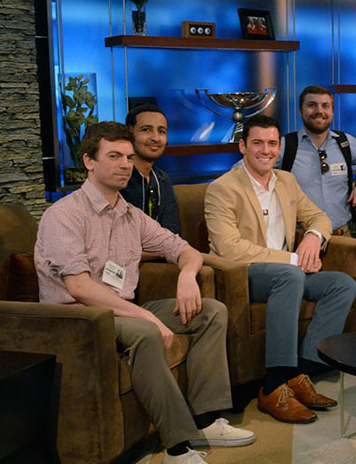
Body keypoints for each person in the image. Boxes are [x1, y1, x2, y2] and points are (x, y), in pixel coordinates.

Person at [35, 122, 254, 464]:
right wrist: (146, 315)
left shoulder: (130, 215)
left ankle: (206, 421)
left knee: (211, 311)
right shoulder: (63, 215)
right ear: (89, 161)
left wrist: (186, 275)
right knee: (144, 330)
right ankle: (177, 447)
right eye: (114, 156)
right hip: (77, 318)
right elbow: (78, 287)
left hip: (122, 309)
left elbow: (185, 249)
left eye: (128, 156)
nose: (125, 164)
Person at [204, 115, 356, 425]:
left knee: (341, 284)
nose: (266, 150)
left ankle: (302, 372)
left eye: (272, 143)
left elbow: (320, 218)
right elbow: (229, 248)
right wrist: (292, 260)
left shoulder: (285, 180)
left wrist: (313, 239)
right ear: (243, 146)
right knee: (291, 275)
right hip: (243, 275)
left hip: (289, 274)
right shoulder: (221, 189)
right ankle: (273, 385)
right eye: (258, 143)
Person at [276, 85, 356, 235]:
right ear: (301, 112)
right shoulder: (285, 146)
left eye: (325, 106)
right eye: (311, 105)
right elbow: (250, 167)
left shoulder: (345, 142)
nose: (319, 111)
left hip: (342, 235)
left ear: (332, 112)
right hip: (301, 237)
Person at [120, 104, 181, 234]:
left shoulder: (162, 180)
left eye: (161, 131)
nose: (155, 138)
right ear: (129, 133)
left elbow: (172, 232)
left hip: (163, 251)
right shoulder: (118, 179)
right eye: (146, 130)